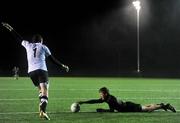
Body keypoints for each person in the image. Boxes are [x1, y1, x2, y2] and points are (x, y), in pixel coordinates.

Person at [2, 22, 69, 120]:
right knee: (45, 90)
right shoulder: (43, 47)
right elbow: (52, 60)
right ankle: (43, 110)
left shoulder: (28, 45)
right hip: (41, 70)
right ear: (41, 41)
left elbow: (18, 37)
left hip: (31, 72)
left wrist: (10, 28)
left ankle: (41, 107)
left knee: (40, 90)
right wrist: (63, 66)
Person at [78, 87, 176, 113]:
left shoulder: (110, 100)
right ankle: (161, 104)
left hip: (130, 107)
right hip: (128, 105)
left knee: (147, 109)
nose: (100, 96)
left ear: (105, 93)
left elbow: (112, 111)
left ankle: (165, 106)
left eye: (101, 94)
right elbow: (94, 101)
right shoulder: (107, 98)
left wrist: (103, 110)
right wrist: (83, 102)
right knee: (146, 107)